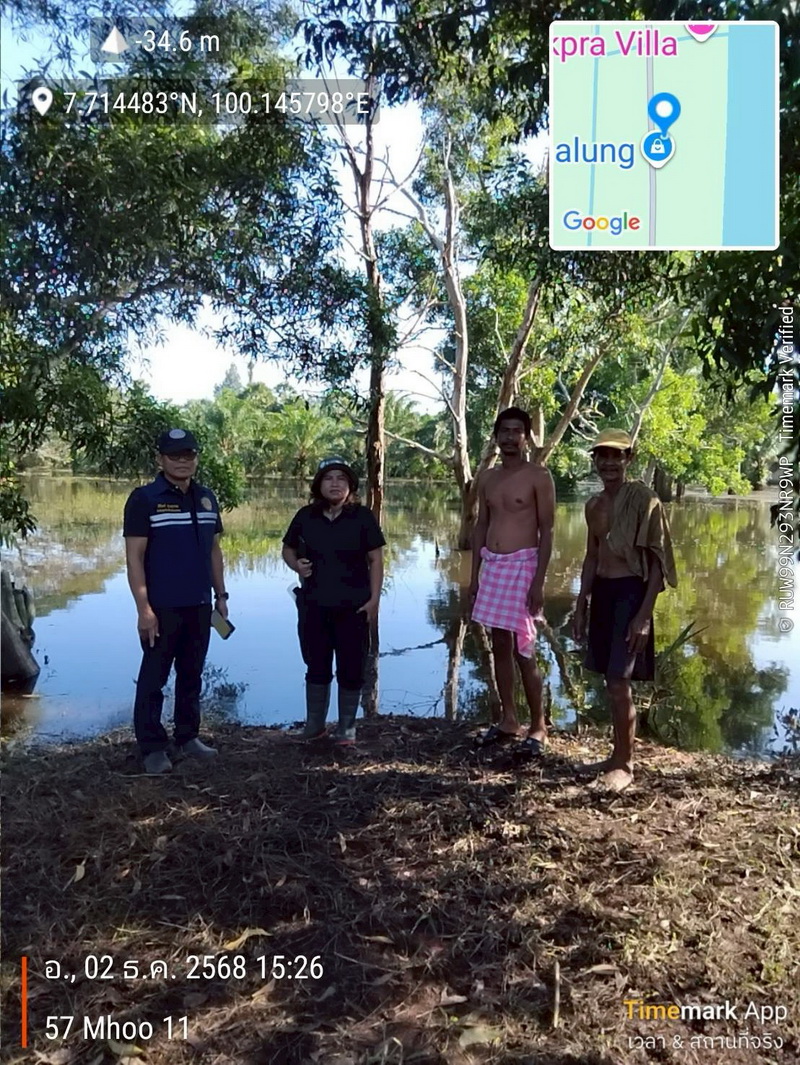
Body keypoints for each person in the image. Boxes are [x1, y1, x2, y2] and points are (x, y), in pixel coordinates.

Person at [572, 428, 677, 792]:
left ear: (628, 459)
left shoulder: (645, 501)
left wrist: (643, 615)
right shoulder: (593, 506)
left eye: (616, 456)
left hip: (631, 593)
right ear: (595, 461)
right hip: (602, 592)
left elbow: (657, 565)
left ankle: (625, 765)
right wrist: (581, 602)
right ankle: (615, 756)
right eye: (602, 456)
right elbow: (591, 556)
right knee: (608, 679)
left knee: (620, 681)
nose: (609, 462)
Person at [123, 429, 228, 775]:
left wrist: (221, 596)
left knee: (191, 674)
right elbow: (134, 557)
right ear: (160, 459)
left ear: (196, 458)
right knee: (154, 677)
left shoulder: (207, 498)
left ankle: (188, 737)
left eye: (188, 455)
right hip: (162, 606)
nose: (182, 462)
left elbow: (214, 550)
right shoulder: (144, 499)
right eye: (174, 456)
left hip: (199, 604)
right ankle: (152, 747)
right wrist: (144, 609)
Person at [470, 407, 555, 758]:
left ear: (527, 437)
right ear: (496, 436)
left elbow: (547, 529)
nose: (509, 437)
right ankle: (508, 719)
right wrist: (473, 575)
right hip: (493, 567)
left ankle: (538, 727)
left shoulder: (539, 476)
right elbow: (480, 525)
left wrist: (539, 581)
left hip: (524, 567)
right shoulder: (487, 478)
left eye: (516, 431)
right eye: (503, 431)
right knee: (499, 646)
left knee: (525, 650)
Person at [282, 458, 385, 746]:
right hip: (314, 605)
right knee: (316, 666)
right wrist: (296, 565)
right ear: (319, 485)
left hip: (354, 607)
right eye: (329, 478)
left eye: (342, 478)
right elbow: (287, 549)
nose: (335, 483)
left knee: (352, 667)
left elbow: (376, 559)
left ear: (351, 486)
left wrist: (375, 599)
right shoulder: (306, 516)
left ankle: (347, 729)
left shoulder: (362, 518)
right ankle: (314, 726)